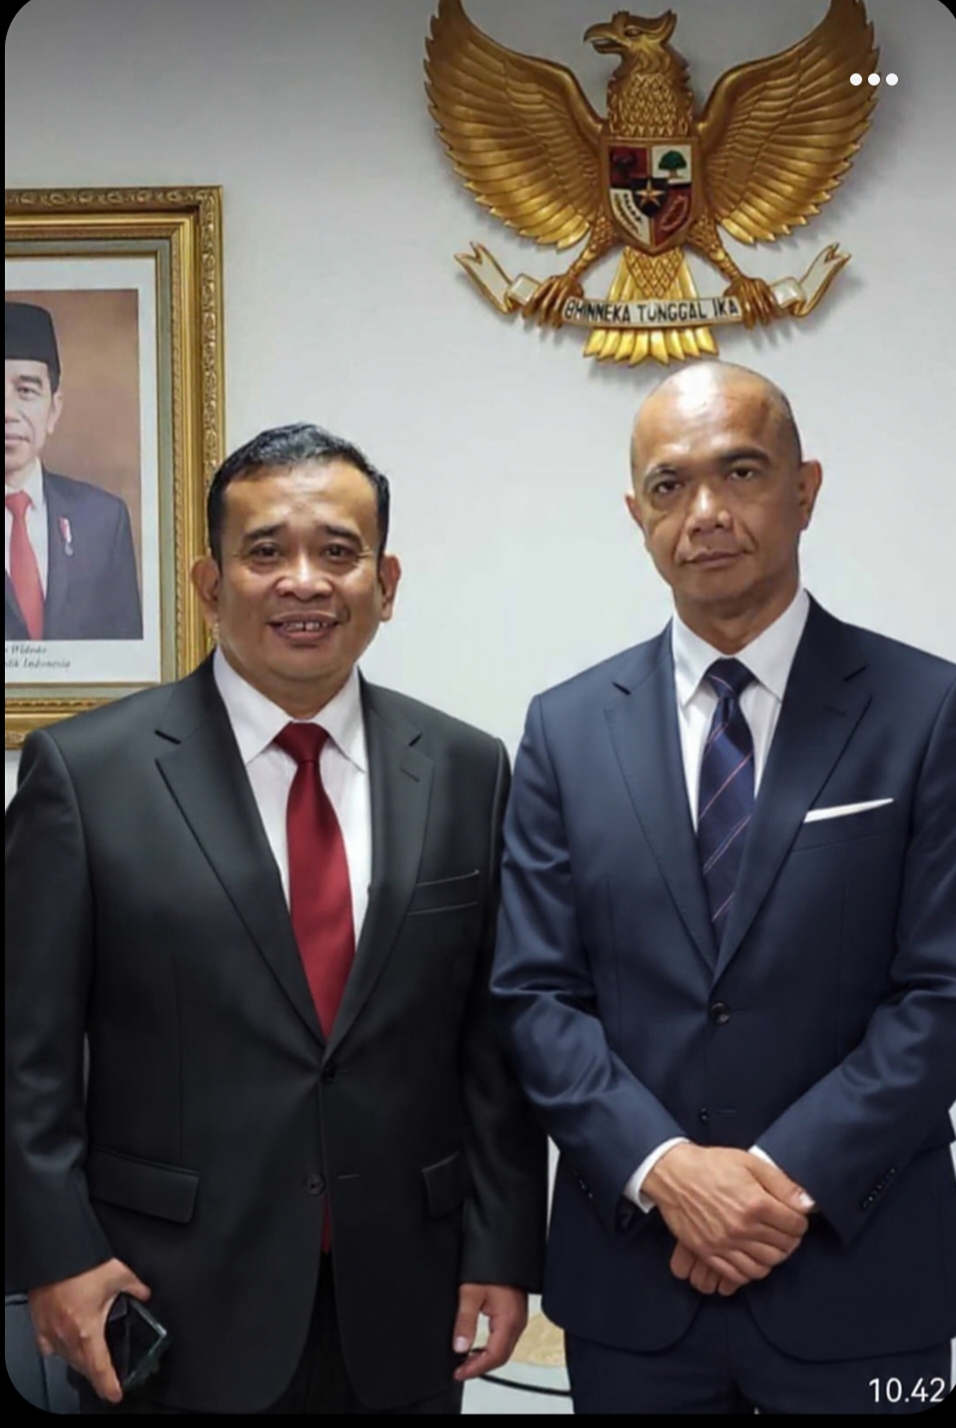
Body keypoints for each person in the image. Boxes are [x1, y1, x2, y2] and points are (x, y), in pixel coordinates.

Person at [6, 423, 546, 1414]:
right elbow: (24, 1054)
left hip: (406, 1298)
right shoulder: (86, 777)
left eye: (338, 552)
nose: (305, 581)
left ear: (386, 583)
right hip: (165, 1298)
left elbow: (490, 1041)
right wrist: (57, 1253)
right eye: (266, 552)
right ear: (210, 585)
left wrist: (502, 1248)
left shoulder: (467, 769)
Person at [492, 363, 956, 1415]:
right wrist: (667, 1171)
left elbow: (940, 993)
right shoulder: (565, 729)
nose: (703, 512)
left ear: (804, 488)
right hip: (635, 1285)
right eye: (668, 485)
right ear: (636, 516)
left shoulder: (927, 710)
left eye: (739, 472)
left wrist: (774, 1185)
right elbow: (534, 996)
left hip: (861, 1272)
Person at [5, 299, 142, 641]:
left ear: (53, 409)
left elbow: (127, 656)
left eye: (26, 391)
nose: (8, 412)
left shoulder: (103, 521)